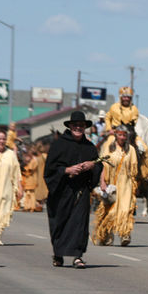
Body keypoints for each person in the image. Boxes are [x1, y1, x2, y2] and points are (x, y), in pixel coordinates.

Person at [44, 111, 103, 268]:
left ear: (85, 127)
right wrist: (66, 170)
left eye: (81, 126)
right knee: (59, 222)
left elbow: (98, 165)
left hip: (81, 191)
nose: (78, 128)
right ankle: (58, 254)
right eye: (75, 125)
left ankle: (78, 256)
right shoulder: (58, 145)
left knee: (79, 223)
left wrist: (93, 166)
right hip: (61, 191)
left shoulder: (89, 147)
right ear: (70, 126)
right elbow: (49, 170)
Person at [92, 125, 138, 246]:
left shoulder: (131, 150)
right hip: (111, 183)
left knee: (125, 209)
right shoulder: (109, 147)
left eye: (124, 135)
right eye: (120, 134)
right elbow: (103, 165)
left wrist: (134, 186)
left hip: (126, 184)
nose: (122, 137)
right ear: (116, 135)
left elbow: (134, 169)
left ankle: (125, 234)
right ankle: (106, 236)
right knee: (110, 211)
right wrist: (102, 182)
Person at [0, 130, 22, 246]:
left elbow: (17, 172)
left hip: (6, 188)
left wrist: (19, 187)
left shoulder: (10, 154)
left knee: (2, 211)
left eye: (4, 139)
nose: (2, 141)